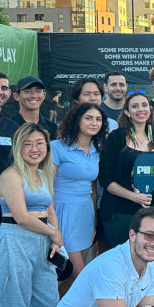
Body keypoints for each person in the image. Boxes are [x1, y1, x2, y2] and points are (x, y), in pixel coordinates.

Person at [0, 123, 62, 307]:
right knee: (16, 305)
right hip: (14, 241)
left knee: (47, 302)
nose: (34, 149)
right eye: (28, 144)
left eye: (40, 143)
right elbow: (21, 217)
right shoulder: (11, 175)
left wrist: (56, 237)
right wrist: (53, 234)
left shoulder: (44, 175)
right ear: (18, 147)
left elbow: (50, 210)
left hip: (42, 243)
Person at [98, 91, 154, 249]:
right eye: (135, 106)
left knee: (146, 258)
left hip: (150, 212)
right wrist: (134, 196)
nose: (140, 109)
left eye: (144, 105)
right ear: (127, 112)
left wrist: (152, 183)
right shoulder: (116, 138)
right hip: (119, 213)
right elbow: (105, 178)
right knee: (119, 261)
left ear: (150, 110)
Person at [52, 102, 107, 286]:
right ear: (77, 120)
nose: (94, 122)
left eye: (98, 119)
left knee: (71, 280)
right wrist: (53, 225)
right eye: (89, 118)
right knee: (77, 275)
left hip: (85, 215)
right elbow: (46, 188)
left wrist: (93, 224)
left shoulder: (97, 152)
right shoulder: (57, 147)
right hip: (62, 212)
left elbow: (92, 189)